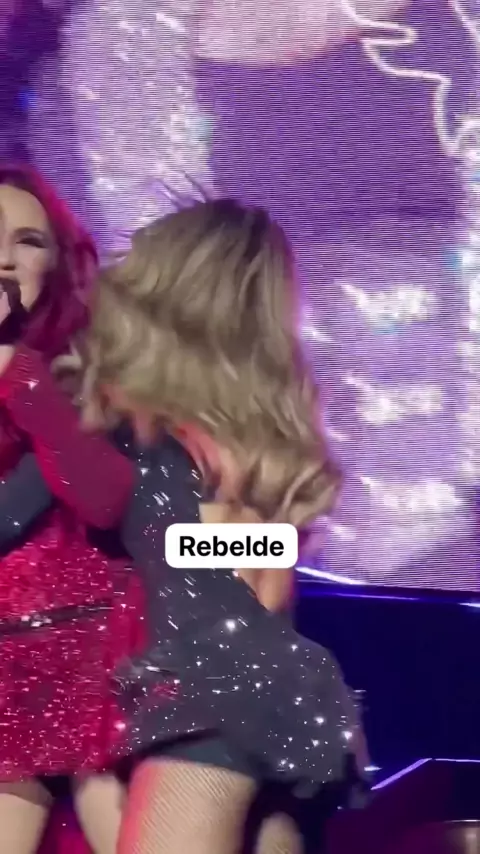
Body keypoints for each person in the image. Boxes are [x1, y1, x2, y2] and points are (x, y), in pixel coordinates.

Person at [0, 198, 368, 854]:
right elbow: (266, 565)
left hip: (205, 697)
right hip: (290, 691)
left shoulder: (131, 424)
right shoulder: (257, 427)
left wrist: (22, 378)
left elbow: (35, 510)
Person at [0, 165, 144, 854]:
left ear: (56, 262)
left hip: (88, 656)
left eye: (27, 241)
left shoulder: (83, 371)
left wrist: (20, 377)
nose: (4, 259)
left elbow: (103, 497)